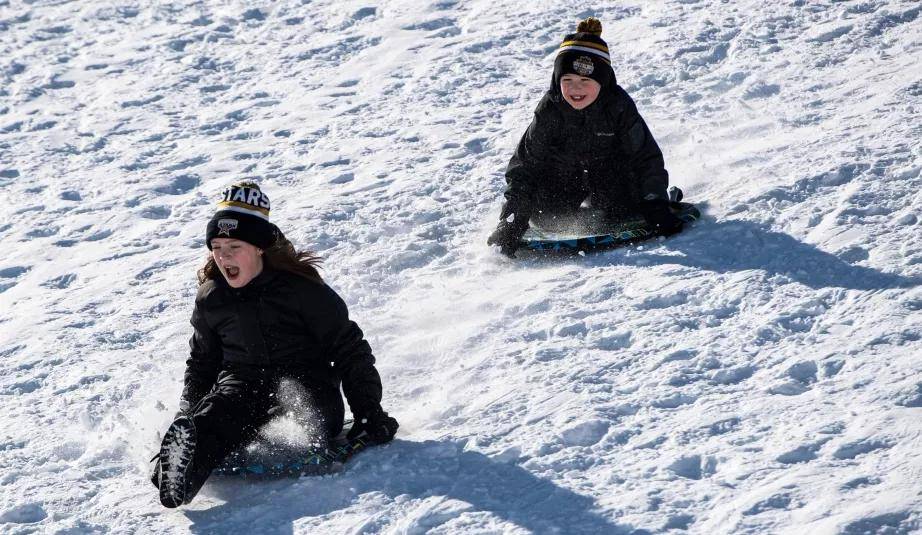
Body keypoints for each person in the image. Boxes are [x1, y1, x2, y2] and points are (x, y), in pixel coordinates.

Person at [150, 181, 399, 508]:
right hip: (241, 382)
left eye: (234, 246)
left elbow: (350, 350)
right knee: (216, 415)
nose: (224, 257)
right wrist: (187, 412)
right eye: (217, 247)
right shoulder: (213, 298)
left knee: (306, 417)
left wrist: (369, 413)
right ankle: (178, 468)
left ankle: (201, 447)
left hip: (306, 381)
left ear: (259, 248)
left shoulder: (302, 291)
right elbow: (202, 363)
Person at [488, 17, 685, 257]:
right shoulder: (550, 110)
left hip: (611, 178)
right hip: (564, 179)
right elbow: (525, 166)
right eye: (567, 80)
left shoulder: (619, 107)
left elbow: (646, 157)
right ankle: (562, 211)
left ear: (602, 81)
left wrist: (655, 202)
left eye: (585, 80)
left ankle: (631, 204)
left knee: (623, 207)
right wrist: (511, 220)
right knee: (545, 216)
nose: (576, 89)